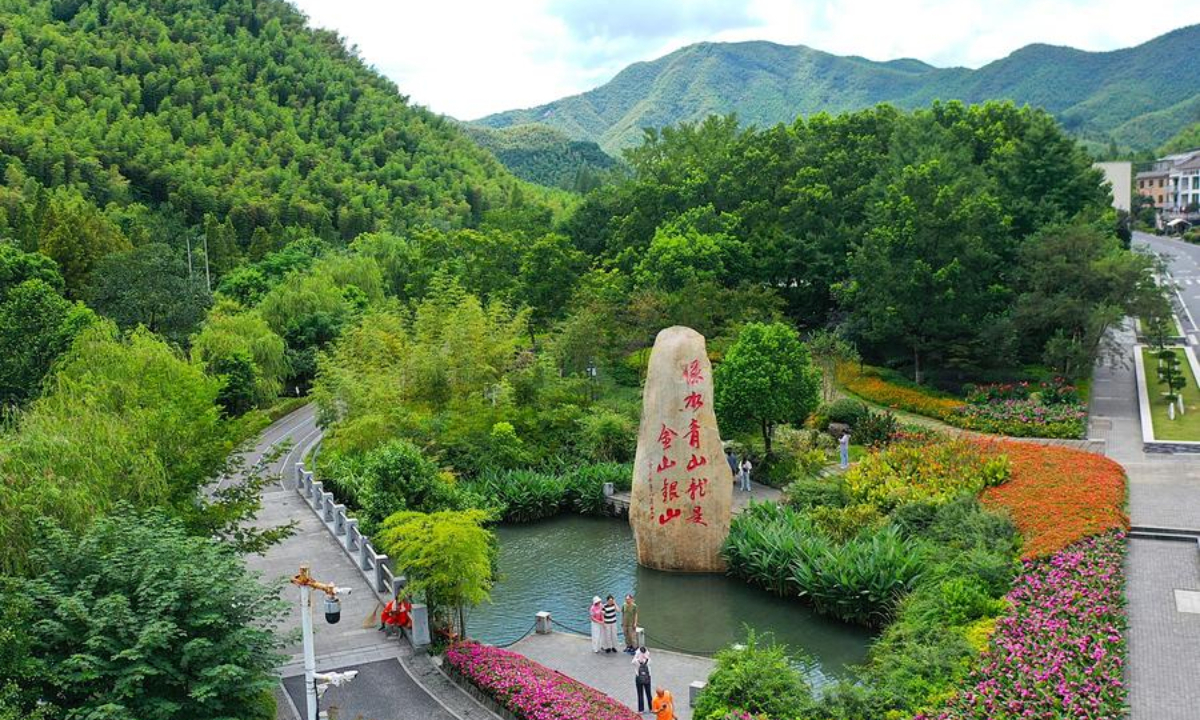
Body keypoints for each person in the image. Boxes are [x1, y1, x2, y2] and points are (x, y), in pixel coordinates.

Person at [632, 646, 653, 713]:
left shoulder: (636, 660)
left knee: (640, 693)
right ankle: (651, 708)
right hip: (647, 678)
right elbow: (650, 664)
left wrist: (638, 658)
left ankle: (641, 709)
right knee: (648, 693)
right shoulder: (648, 660)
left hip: (639, 678)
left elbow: (633, 662)